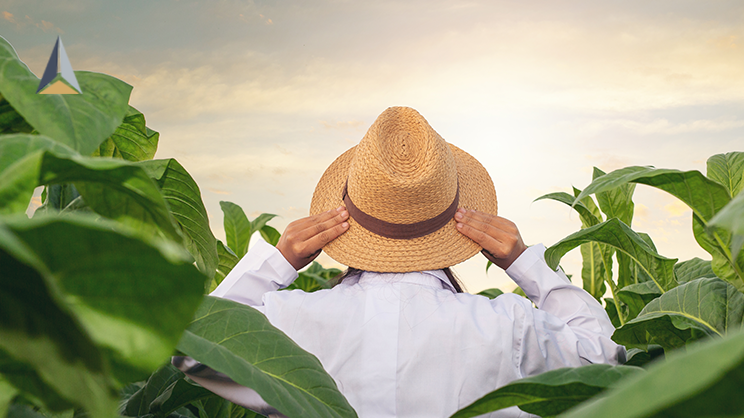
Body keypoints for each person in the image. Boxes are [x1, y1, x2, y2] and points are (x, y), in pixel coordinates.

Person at [174, 107, 626, 417]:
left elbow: (193, 346)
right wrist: (526, 262)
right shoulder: (509, 325)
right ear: (458, 225)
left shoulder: (293, 321)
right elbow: (604, 361)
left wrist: (277, 261)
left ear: (346, 220)